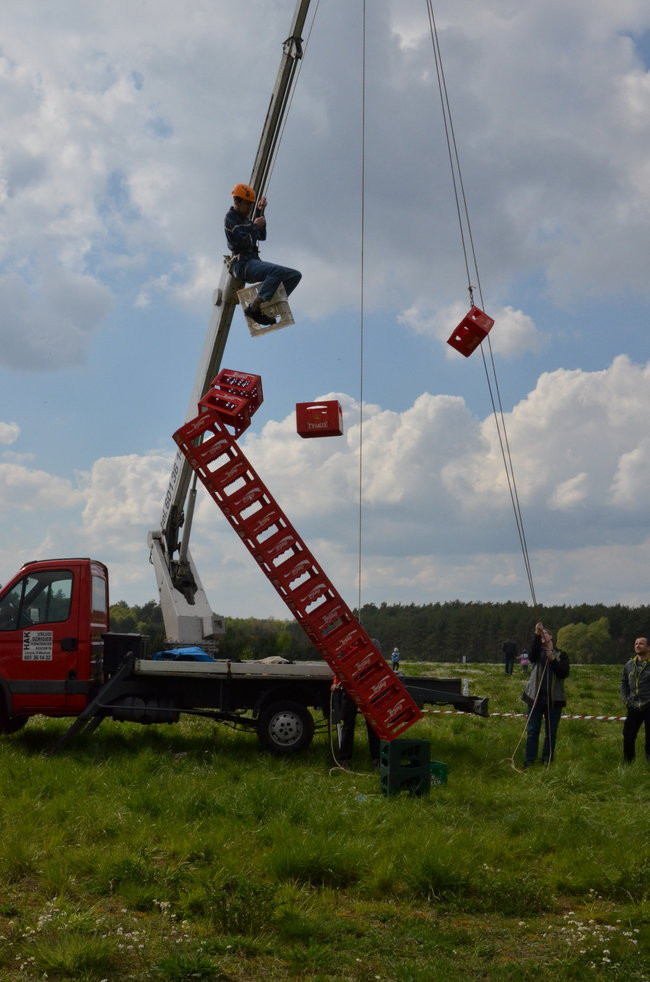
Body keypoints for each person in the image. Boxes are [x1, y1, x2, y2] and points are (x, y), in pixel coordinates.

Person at [225, 183, 301, 326]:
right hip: (242, 264)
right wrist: (254, 225)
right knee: (276, 272)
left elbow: (261, 236)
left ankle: (263, 306)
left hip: (252, 261)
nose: (249, 209)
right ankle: (255, 307)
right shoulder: (230, 218)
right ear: (237, 202)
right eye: (247, 205)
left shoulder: (246, 220)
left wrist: (260, 212)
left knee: (294, 276)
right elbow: (240, 239)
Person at [522, 621, 569, 767]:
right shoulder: (537, 654)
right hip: (534, 699)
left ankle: (546, 761)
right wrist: (537, 633)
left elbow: (563, 673)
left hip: (554, 700)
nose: (543, 637)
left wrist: (552, 659)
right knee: (532, 732)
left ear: (551, 637)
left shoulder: (561, 654)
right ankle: (529, 761)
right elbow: (532, 655)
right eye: (541, 636)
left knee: (551, 733)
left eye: (545, 634)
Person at [331, 677, 380, 768]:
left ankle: (377, 758)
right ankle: (345, 759)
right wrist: (336, 682)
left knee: (371, 724)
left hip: (368, 686)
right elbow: (341, 666)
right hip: (349, 687)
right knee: (348, 724)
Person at [620, 637, 650, 764]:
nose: (638, 645)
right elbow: (624, 682)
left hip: (649, 706)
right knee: (628, 736)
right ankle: (628, 763)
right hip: (633, 706)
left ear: (648, 647)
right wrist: (625, 699)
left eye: (641, 643)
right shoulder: (629, 664)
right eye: (636, 643)